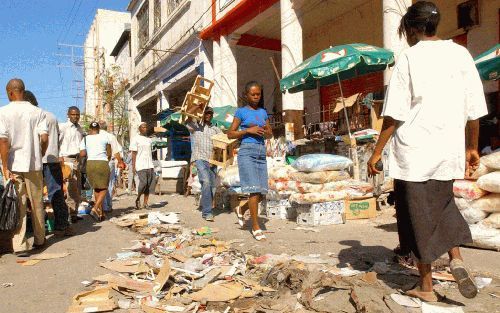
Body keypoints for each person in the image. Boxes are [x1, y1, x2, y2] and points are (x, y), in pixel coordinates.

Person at [367, 1, 487, 302]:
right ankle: (456, 259)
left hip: (415, 151)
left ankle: (426, 285)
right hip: (448, 150)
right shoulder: (460, 53)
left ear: (411, 27)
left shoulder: (410, 58)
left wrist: (376, 153)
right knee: (443, 205)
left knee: (418, 217)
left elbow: (393, 114)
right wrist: (472, 146)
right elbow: (474, 109)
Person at [0, 79, 49, 252]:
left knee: (18, 204)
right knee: (37, 203)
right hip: (34, 164)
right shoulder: (38, 112)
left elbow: (3, 141)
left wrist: (5, 167)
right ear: (22, 90)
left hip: (14, 164)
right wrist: (40, 153)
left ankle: (20, 245)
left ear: (10, 92)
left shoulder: (3, 112)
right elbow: (44, 138)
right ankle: (40, 239)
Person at [24, 91, 74, 237]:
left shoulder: (32, 116)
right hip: (52, 159)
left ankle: (37, 228)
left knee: (35, 195)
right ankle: (62, 225)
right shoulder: (51, 116)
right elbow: (57, 138)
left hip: (36, 160)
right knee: (56, 193)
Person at [228, 81, 272, 241]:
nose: (256, 97)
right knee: (254, 190)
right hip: (247, 151)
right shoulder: (241, 112)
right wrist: (248, 130)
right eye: (253, 94)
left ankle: (241, 209)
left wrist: (265, 131)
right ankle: (255, 226)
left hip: (261, 152)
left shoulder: (263, 112)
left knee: (261, 193)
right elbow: (230, 134)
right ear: (246, 95)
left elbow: (270, 134)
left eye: (258, 94)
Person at [186, 107, 222, 221]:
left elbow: (224, 142)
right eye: (206, 113)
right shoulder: (196, 127)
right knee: (205, 181)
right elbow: (187, 118)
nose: (208, 115)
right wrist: (197, 107)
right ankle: (207, 212)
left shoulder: (216, 129)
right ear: (202, 114)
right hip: (199, 158)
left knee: (211, 186)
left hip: (213, 161)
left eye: (210, 113)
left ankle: (206, 206)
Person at [79, 122, 111, 221]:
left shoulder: (85, 139)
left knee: (97, 189)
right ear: (99, 129)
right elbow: (109, 153)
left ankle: (101, 214)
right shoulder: (105, 138)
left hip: (90, 164)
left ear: (89, 129)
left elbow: (82, 153)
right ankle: (95, 207)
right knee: (105, 187)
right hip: (102, 162)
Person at [59, 106, 84, 222]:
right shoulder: (63, 127)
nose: (75, 117)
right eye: (73, 114)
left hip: (77, 160)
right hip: (67, 159)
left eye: (77, 114)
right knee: (70, 188)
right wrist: (60, 158)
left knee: (77, 188)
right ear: (68, 115)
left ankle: (74, 213)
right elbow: (57, 143)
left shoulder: (80, 129)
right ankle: (69, 214)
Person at [98, 120, 125, 213]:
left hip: (97, 162)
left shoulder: (94, 137)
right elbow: (117, 151)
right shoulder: (111, 137)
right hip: (109, 162)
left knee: (100, 185)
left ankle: (103, 206)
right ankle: (108, 206)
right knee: (109, 184)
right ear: (106, 127)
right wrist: (120, 162)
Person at [130, 122, 154, 209]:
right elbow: (134, 153)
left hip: (150, 164)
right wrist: (133, 166)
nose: (145, 128)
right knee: (143, 183)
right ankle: (138, 198)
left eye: (146, 127)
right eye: (143, 127)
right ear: (139, 129)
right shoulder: (135, 139)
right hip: (140, 164)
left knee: (148, 184)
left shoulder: (149, 140)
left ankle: (145, 203)